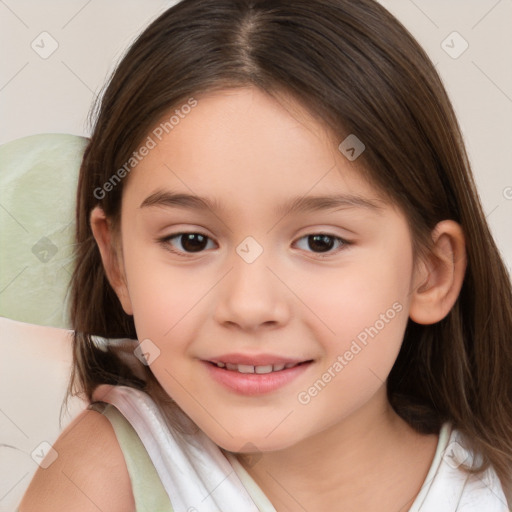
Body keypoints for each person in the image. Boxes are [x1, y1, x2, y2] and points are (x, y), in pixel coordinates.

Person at [19, 0, 512, 510]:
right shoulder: (106, 477)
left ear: (429, 274)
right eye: (191, 241)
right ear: (117, 261)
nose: (249, 306)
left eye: (321, 242)